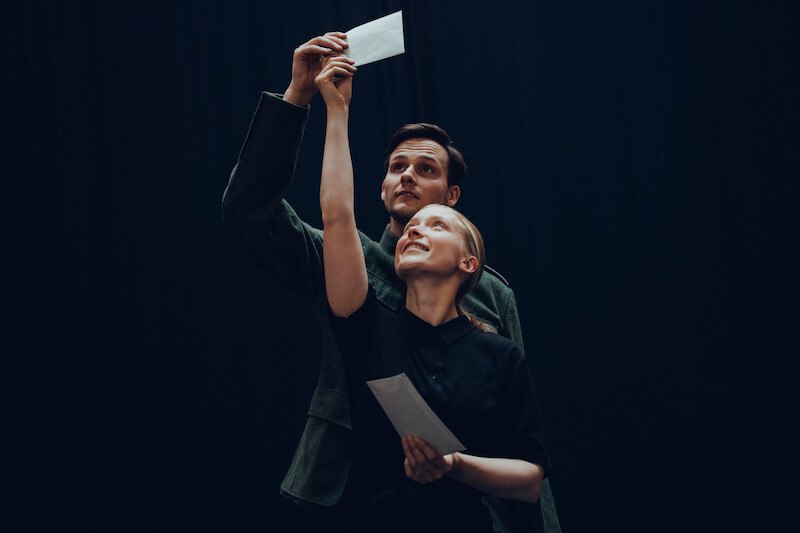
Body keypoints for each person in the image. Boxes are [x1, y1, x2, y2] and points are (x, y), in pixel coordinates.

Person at [222, 32, 561, 532]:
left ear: (452, 195)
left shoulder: (491, 294)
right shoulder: (347, 258)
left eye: (425, 168)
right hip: (353, 491)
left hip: (462, 507)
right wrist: (298, 98)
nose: (406, 176)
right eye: (396, 167)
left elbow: (520, 443)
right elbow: (250, 210)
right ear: (380, 187)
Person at [315, 55, 551, 532]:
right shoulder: (368, 325)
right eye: (410, 230)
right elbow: (337, 214)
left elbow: (530, 480)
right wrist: (337, 111)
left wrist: (453, 465)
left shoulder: (499, 355)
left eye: (436, 224)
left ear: (468, 263)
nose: (414, 231)